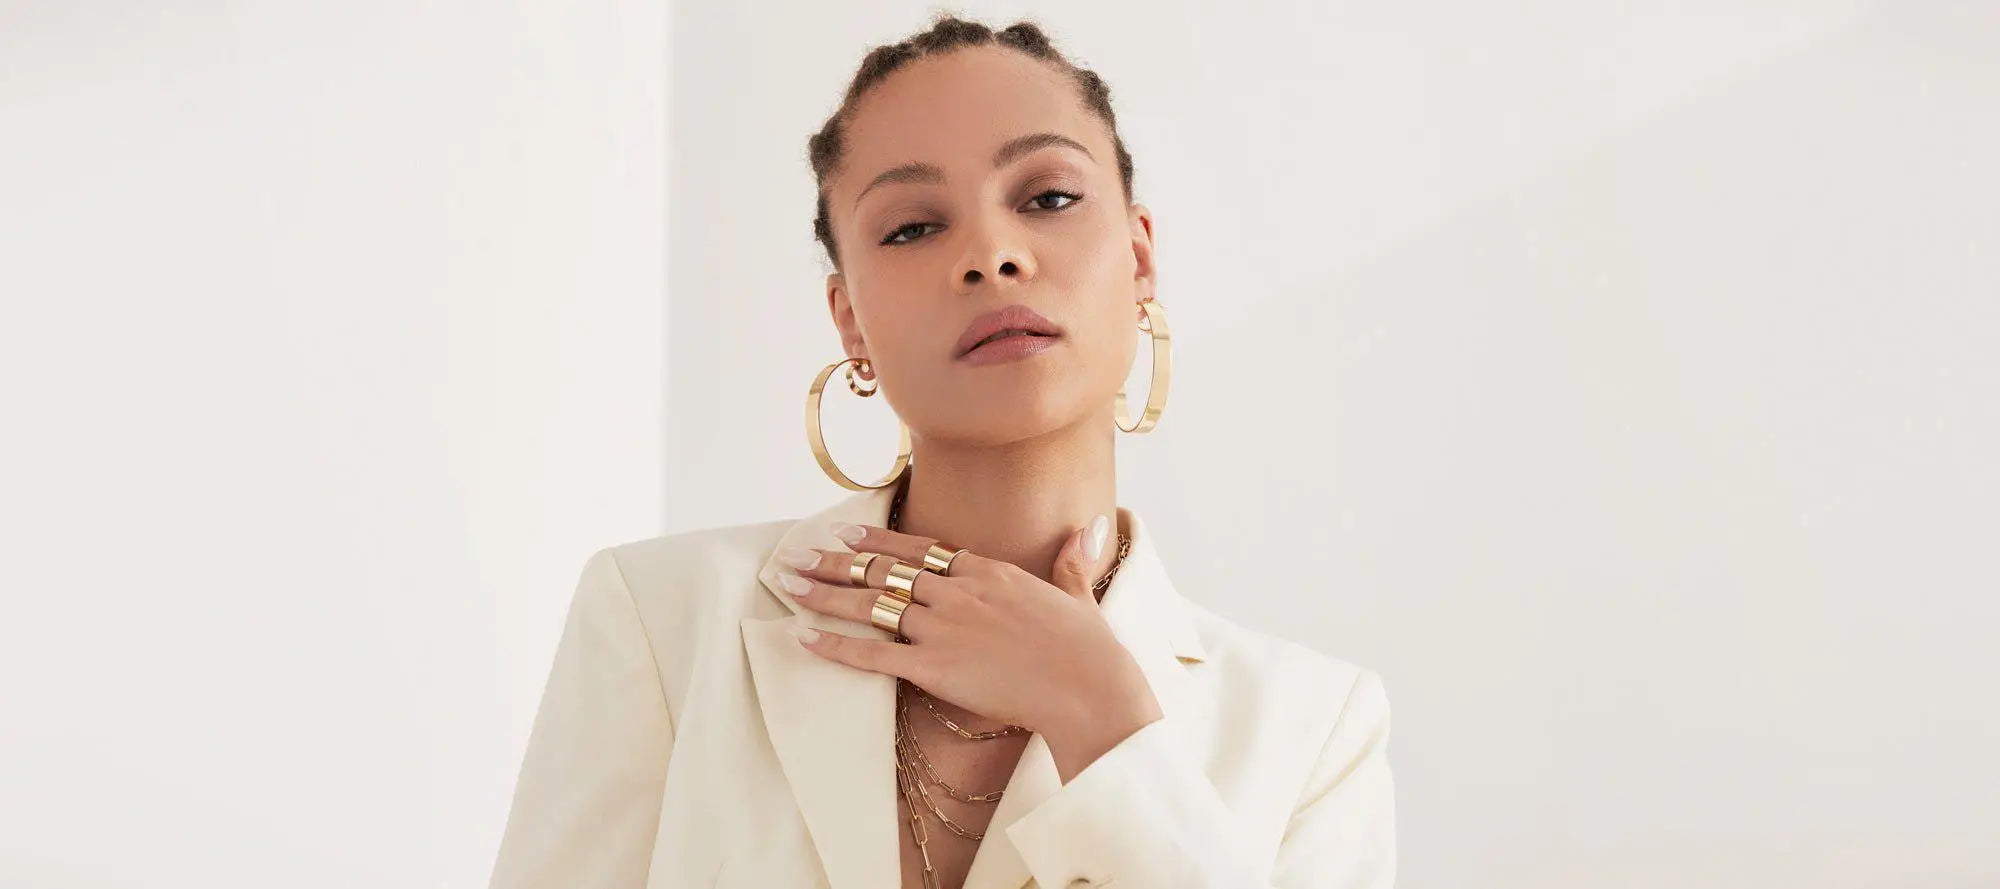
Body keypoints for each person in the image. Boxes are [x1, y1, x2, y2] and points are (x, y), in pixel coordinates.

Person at [489, 14, 1394, 889]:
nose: (992, 253)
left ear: (1140, 257)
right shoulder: (662, 626)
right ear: (850, 321)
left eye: (1048, 198)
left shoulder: (1312, 728)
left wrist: (1103, 720)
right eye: (914, 226)